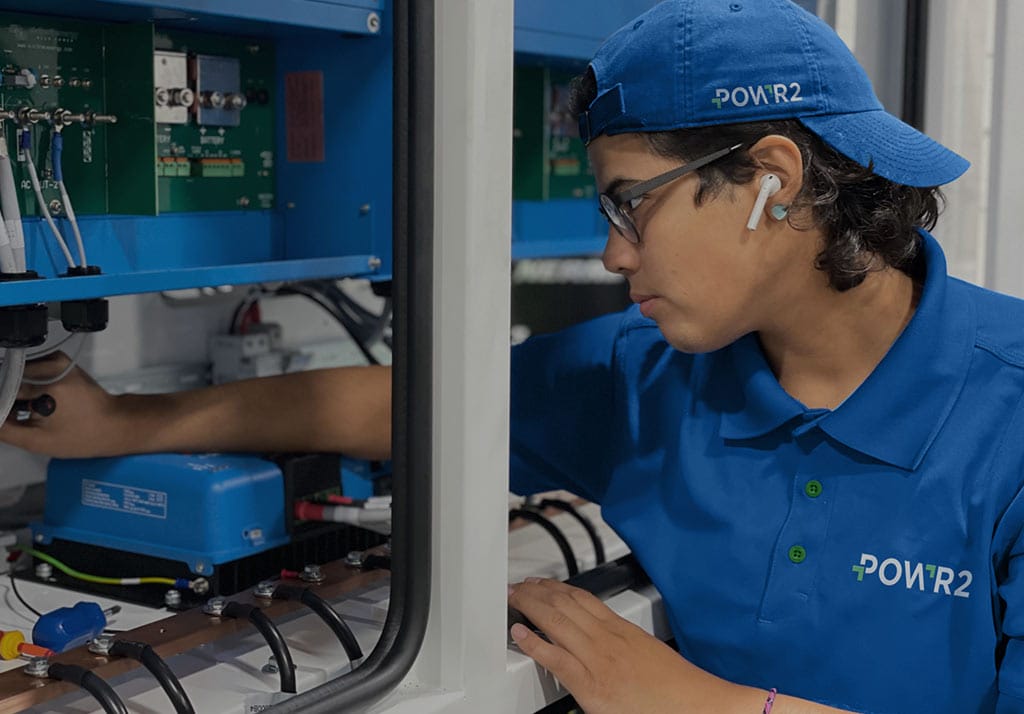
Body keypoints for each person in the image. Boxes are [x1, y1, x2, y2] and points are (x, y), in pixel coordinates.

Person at [2, 1, 1022, 711]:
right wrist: (123, 423)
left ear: (770, 176)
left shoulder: (1007, 414)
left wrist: (703, 706)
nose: (613, 251)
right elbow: (404, 408)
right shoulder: (651, 379)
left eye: (631, 202)